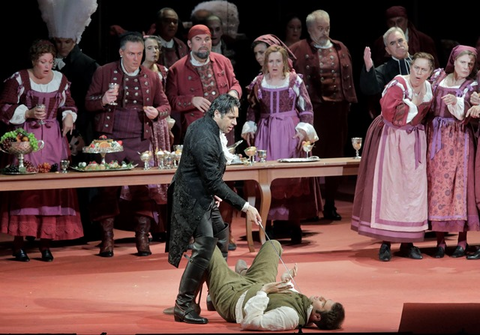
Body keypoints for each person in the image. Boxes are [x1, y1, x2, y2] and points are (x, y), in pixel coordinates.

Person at [166, 94, 262, 324]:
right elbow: (211, 181)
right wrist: (246, 206)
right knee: (205, 244)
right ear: (216, 113)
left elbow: (210, 179)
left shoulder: (208, 127)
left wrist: (214, 193)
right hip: (192, 198)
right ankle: (183, 304)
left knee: (220, 235)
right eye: (231, 117)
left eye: (236, 118)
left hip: (203, 194)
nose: (234, 123)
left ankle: (214, 294)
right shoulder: (203, 136)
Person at [84, 31, 171, 258]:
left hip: (139, 139)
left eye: (139, 53)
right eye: (131, 53)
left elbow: (165, 106)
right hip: (109, 139)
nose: (136, 58)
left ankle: (142, 239)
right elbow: (88, 102)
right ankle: (107, 240)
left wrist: (156, 113)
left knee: (142, 189)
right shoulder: (104, 72)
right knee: (107, 189)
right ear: (121, 52)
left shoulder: (152, 77)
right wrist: (102, 100)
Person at [0, 39, 83, 262]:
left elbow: (70, 104)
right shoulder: (19, 78)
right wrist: (26, 114)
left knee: (50, 186)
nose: (47, 66)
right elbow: (5, 107)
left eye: (50, 62)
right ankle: (19, 244)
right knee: (26, 186)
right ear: (34, 61)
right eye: (42, 62)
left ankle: (46, 244)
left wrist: (67, 116)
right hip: (26, 138)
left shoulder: (61, 80)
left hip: (54, 138)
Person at [351, 52, 435, 261]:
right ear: (411, 66)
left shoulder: (428, 88)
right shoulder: (398, 84)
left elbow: (426, 114)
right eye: (416, 67)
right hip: (391, 139)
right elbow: (391, 113)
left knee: (412, 190)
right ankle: (385, 243)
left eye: (424, 70)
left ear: (430, 72)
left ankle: (408, 242)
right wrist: (413, 105)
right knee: (391, 188)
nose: (419, 73)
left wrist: (415, 107)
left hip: (414, 141)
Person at [241, 45, 321, 244]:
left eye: (278, 61)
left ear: (284, 62)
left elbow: (306, 108)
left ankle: (294, 224)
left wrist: (303, 129)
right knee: (266, 178)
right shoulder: (258, 82)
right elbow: (252, 109)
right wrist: (250, 126)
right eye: (271, 61)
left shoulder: (294, 80)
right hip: (266, 133)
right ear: (265, 63)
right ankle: (266, 225)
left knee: (289, 177)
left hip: (289, 133)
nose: (274, 65)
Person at [38, 0, 100, 241]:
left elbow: (89, 102)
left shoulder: (88, 65)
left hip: (81, 128)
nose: (62, 46)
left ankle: (85, 229)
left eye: (67, 42)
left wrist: (78, 131)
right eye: (58, 42)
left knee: (82, 178)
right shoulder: (46, 65)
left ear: (75, 40)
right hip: (52, 129)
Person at [290, 9, 358, 221]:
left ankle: (330, 203)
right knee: (310, 157)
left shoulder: (340, 47)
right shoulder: (298, 49)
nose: (325, 31)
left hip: (337, 112)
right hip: (313, 112)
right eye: (320, 28)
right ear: (309, 29)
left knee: (335, 157)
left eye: (327, 27)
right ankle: (310, 206)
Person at [205, 239, 345, 331]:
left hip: (234, 297)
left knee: (207, 245)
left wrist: (264, 291)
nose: (321, 297)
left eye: (323, 302)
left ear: (317, 317)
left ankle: (186, 301)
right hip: (257, 282)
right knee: (273, 245)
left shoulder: (290, 317)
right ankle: (243, 274)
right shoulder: (305, 305)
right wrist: (286, 280)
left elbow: (250, 322)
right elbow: (285, 298)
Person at [425, 45, 479, 259]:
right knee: (437, 187)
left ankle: (462, 242)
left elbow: (465, 112)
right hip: (436, 139)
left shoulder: (471, 85)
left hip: (459, 139)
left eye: (470, 64)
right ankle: (439, 241)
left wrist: (456, 102)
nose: (466, 67)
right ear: (454, 61)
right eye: (463, 62)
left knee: (459, 188)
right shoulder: (438, 77)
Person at [166, 24, 242, 145]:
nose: (203, 43)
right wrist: (192, 101)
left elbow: (235, 84)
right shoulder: (177, 69)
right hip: (196, 129)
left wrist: (233, 93)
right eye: (198, 39)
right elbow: (170, 100)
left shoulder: (223, 61)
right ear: (190, 44)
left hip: (225, 127)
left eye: (207, 39)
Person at [360, 27, 412, 118]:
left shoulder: (421, 62)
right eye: (392, 43)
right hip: (395, 121)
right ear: (387, 50)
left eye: (400, 40)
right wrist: (369, 67)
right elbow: (370, 89)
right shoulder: (383, 71)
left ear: (406, 42)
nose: (398, 45)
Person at [371, 5, 439, 68]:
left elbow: (434, 68)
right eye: (391, 22)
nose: (396, 25)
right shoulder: (379, 43)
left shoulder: (424, 40)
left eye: (399, 21)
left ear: (406, 20)